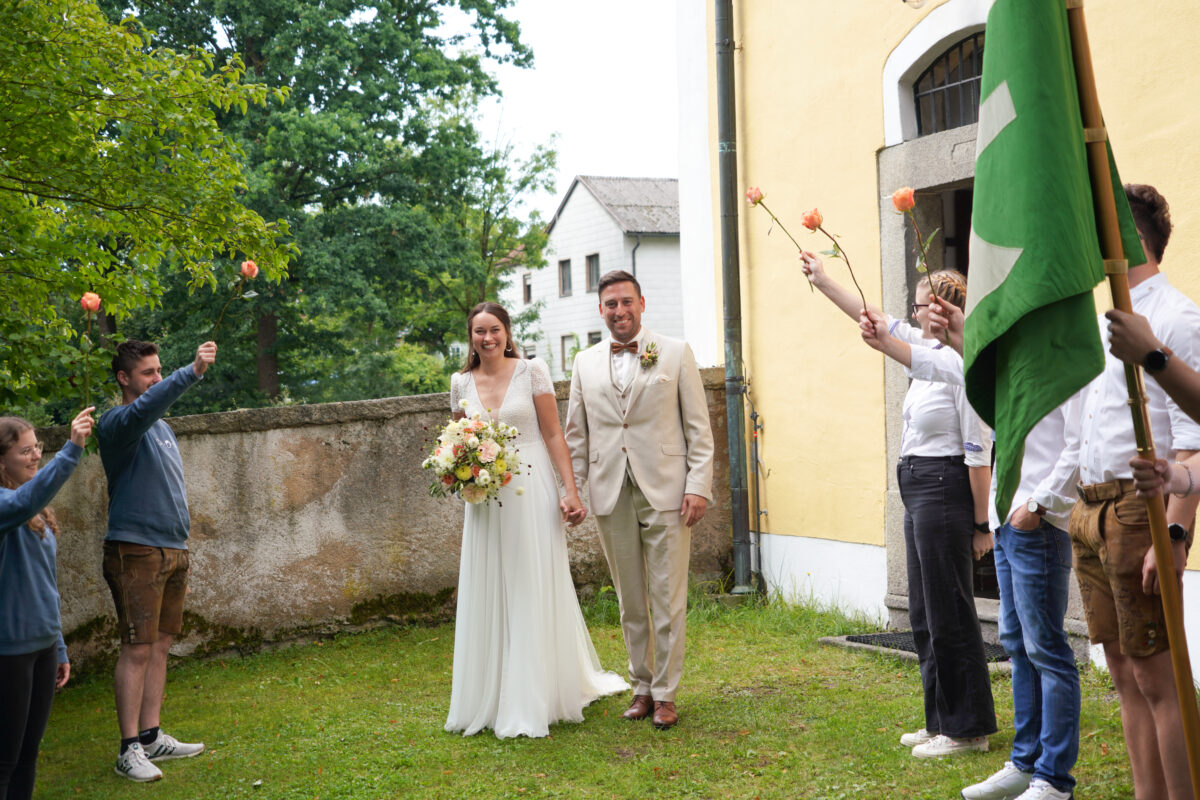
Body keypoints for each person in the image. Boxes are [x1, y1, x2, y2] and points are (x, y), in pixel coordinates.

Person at [801, 252, 997, 757]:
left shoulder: (962, 364)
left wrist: (981, 525)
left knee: (950, 608)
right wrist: (824, 280)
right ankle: (940, 720)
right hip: (916, 485)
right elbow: (874, 318)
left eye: (919, 308)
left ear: (944, 310)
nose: (910, 316)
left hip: (944, 486)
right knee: (924, 611)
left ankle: (967, 729)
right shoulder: (921, 344)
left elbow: (978, 455)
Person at [890, 324, 1084, 798]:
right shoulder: (1007, 363)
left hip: (1036, 525)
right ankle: (1024, 763)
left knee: (1047, 652)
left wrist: (1035, 507)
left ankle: (1053, 778)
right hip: (1008, 524)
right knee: (1017, 644)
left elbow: (1079, 446)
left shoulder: (1069, 359)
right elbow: (939, 361)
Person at [1062, 183, 1198, 800]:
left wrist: (1174, 532)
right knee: (1122, 673)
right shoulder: (1103, 321)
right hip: (1093, 511)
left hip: (1140, 513)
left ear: (1125, 239)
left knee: (1159, 679)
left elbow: (1193, 442)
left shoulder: (1174, 317)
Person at [444, 302, 627, 739]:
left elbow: (552, 434)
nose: (487, 339)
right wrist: (457, 470)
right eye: (478, 332)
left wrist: (571, 490)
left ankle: (534, 695)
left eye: (494, 330)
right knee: (489, 584)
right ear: (470, 338)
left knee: (530, 582)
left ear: (507, 333)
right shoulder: (459, 382)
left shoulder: (533, 371)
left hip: (531, 487)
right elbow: (456, 438)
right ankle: (487, 694)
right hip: (485, 497)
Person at [564, 270, 714, 730]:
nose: (619, 311)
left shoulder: (675, 351)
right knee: (631, 600)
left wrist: (698, 485)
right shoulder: (584, 362)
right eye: (610, 304)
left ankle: (667, 694)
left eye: (626, 302)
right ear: (601, 310)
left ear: (642, 304)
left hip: (667, 489)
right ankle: (641, 688)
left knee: (667, 596)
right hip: (610, 491)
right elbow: (576, 434)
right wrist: (574, 490)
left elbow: (698, 430)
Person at [99, 340, 214, 782]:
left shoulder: (163, 428)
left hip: (172, 549)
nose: (158, 378)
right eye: (148, 372)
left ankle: (150, 737)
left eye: (160, 370)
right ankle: (128, 750)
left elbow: (155, 407)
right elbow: (143, 409)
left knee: (161, 644)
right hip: (135, 550)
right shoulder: (118, 424)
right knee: (137, 648)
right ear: (124, 379)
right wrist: (192, 372)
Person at [0, 409, 94, 800]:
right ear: (0, 458)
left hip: (41, 647)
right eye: (25, 451)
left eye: (37, 446)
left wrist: (58, 646)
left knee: (28, 754)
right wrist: (71, 449)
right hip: (8, 652)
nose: (36, 455)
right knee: (3, 759)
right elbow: (24, 502)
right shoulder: (9, 504)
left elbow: (46, 584)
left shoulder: (32, 505)